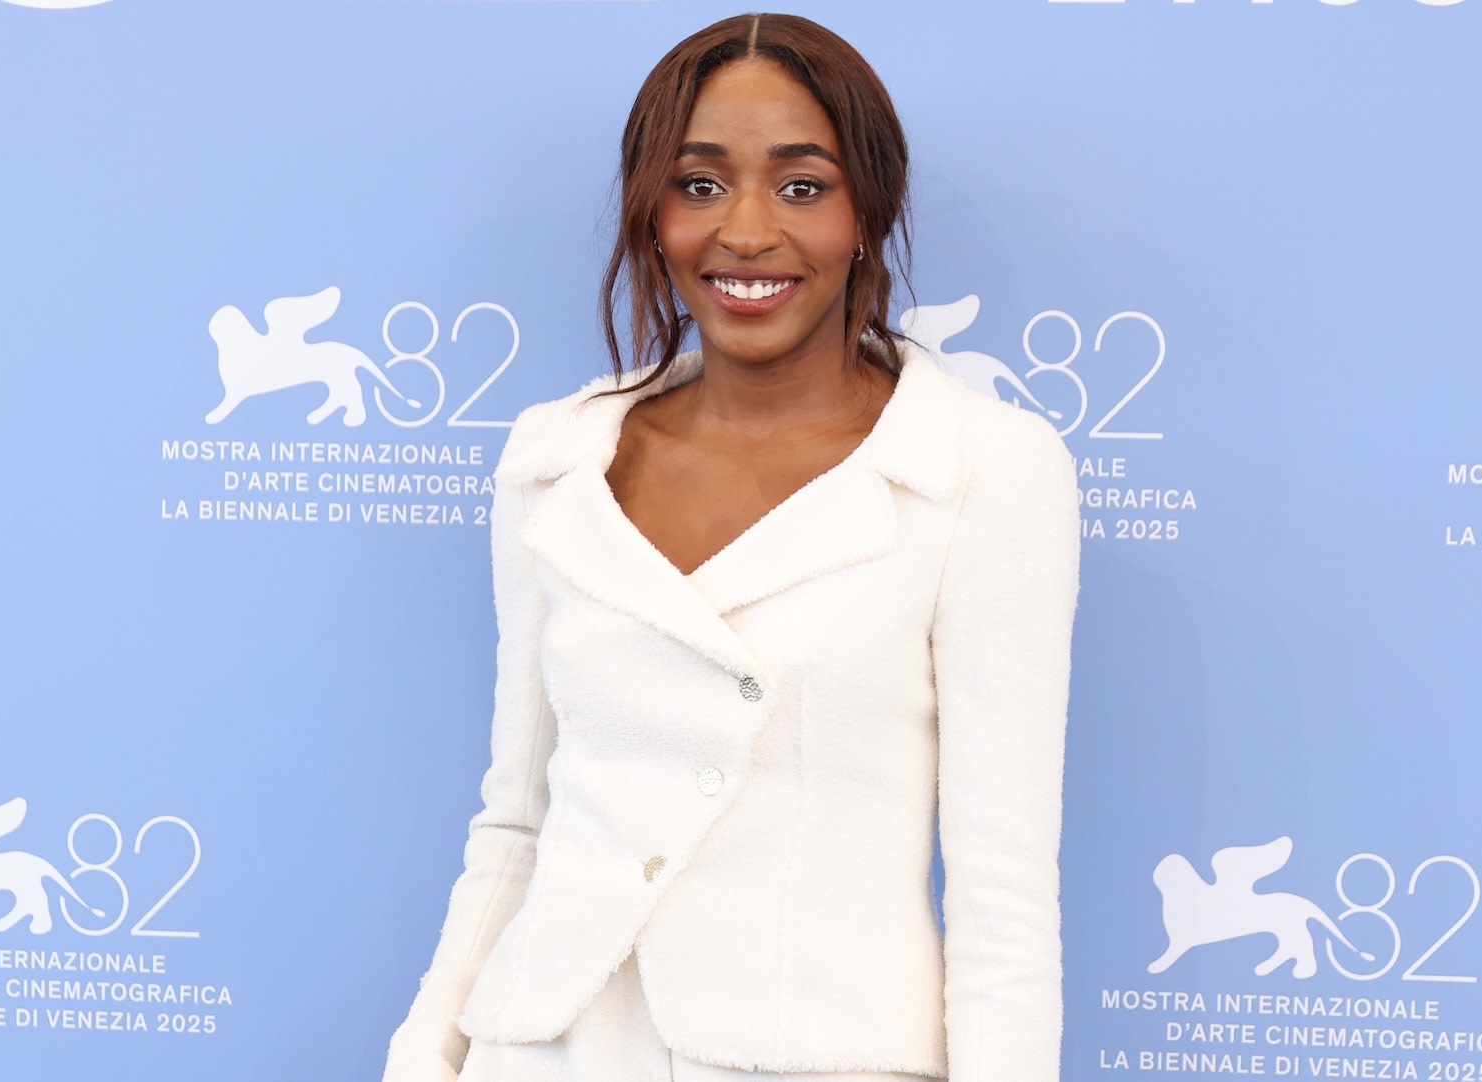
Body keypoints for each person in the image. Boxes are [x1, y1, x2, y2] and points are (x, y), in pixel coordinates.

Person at [383, 13, 1079, 1082]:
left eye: (802, 186)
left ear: (866, 211)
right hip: (542, 1049)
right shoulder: (554, 459)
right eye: (700, 184)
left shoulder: (984, 468)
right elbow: (517, 824)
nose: (746, 231)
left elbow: (1003, 894)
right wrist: (426, 1055)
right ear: (652, 211)